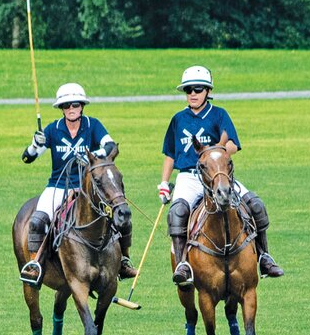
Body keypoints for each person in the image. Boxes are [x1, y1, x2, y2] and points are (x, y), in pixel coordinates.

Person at [158, 66, 284, 284]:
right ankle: (182, 265)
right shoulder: (178, 119)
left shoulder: (219, 114)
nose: (192, 94)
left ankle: (264, 256)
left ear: (207, 91)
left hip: (218, 175)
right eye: (188, 90)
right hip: (189, 176)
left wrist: (216, 152)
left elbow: (233, 144)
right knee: (177, 211)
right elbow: (170, 154)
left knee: (255, 204)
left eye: (197, 89)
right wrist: (163, 182)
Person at [19, 82, 135, 285]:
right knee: (38, 221)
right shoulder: (53, 129)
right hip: (57, 186)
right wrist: (35, 144)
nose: (71, 109)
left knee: (121, 216)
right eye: (66, 106)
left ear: (82, 106)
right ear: (61, 109)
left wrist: (90, 156)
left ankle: (123, 261)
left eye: (75, 104)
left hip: (87, 189)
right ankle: (34, 264)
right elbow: (28, 158)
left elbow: (109, 146)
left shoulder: (93, 125)